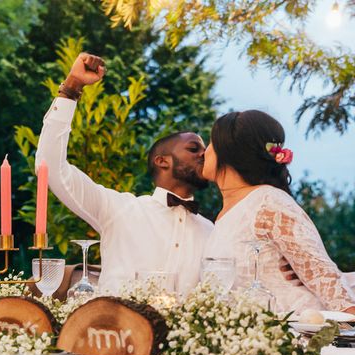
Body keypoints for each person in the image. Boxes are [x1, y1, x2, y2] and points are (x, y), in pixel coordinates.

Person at [35, 53, 213, 294]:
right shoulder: (120, 210)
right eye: (194, 148)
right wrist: (71, 89)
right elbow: (50, 167)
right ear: (162, 161)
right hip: (113, 329)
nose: (204, 154)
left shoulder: (211, 231)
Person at [202, 109, 355, 314]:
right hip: (248, 338)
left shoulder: (269, 202)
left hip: (294, 334)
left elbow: (327, 281)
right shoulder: (225, 215)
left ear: (229, 151)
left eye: (211, 143)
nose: (205, 151)